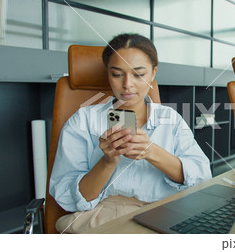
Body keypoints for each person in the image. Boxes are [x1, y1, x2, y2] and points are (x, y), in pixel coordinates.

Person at [49, 33, 212, 233]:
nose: (127, 84)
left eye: (138, 74)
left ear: (153, 73)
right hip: (105, 217)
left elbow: (202, 178)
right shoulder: (84, 120)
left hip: (166, 213)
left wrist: (152, 152)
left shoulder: (171, 119)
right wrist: (107, 162)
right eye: (117, 74)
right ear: (107, 73)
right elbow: (69, 199)